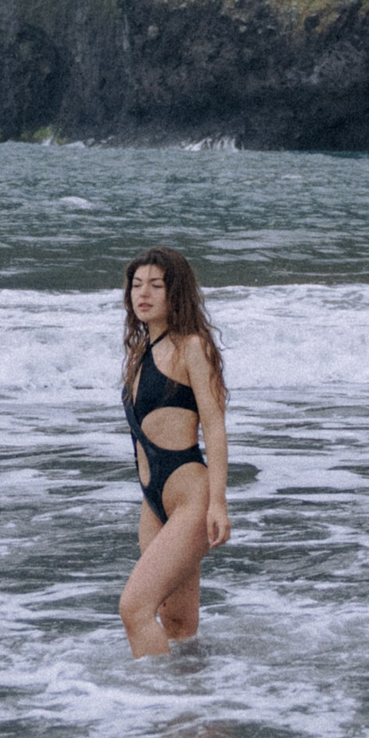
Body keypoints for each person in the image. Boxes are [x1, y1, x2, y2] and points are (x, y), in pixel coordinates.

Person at [118, 244, 230, 655]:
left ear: (175, 292)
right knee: (178, 623)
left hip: (190, 498)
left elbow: (214, 427)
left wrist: (218, 502)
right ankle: (194, 694)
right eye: (136, 285)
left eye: (156, 285)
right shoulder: (140, 352)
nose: (143, 293)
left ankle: (152, 694)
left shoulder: (191, 347)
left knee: (134, 609)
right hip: (153, 502)